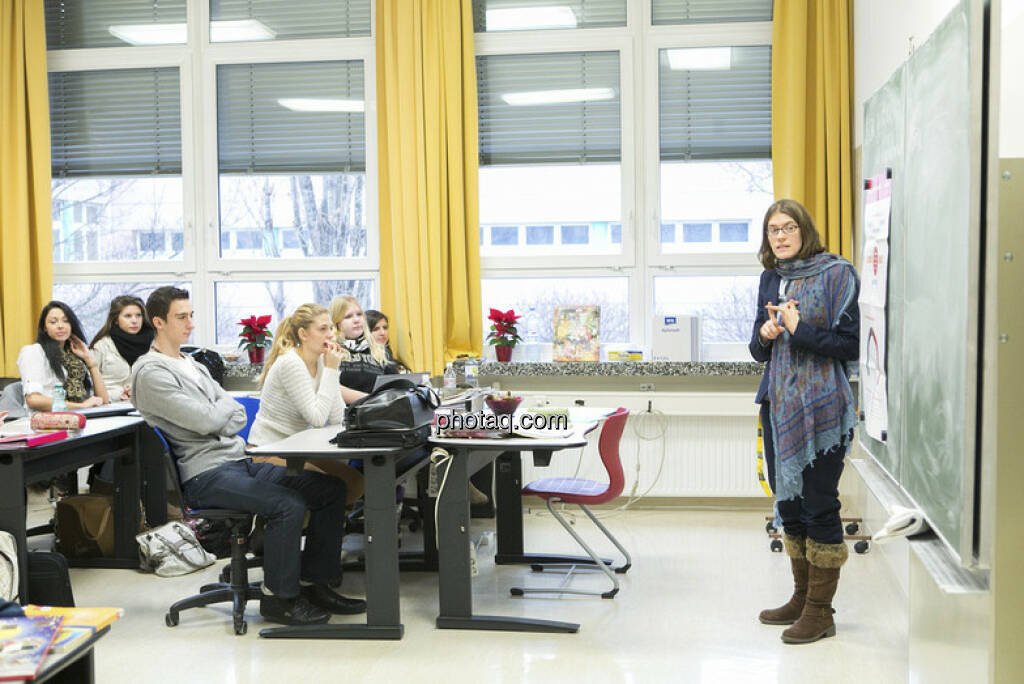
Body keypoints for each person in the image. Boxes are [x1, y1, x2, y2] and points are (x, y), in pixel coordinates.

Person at [130, 286, 365, 626]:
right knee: (288, 504)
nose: (190, 324)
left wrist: (218, 414)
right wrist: (218, 413)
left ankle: (316, 584)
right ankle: (278, 600)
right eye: (181, 317)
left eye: (191, 315)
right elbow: (205, 419)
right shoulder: (151, 372)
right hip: (205, 474)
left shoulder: (190, 363)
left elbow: (236, 412)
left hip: (238, 461)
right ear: (158, 322)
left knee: (330, 491)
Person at [749, 199, 860, 644]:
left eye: (788, 227)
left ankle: (821, 612)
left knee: (819, 506)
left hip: (825, 411)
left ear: (804, 231)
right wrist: (766, 333)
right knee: (789, 506)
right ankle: (800, 597)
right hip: (779, 405)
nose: (780, 236)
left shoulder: (838, 274)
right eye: (773, 229)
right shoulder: (770, 278)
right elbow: (757, 351)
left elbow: (848, 345)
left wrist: (799, 328)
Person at [247, 304, 365, 504]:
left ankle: (322, 528)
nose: (330, 335)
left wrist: (330, 370)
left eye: (330, 328)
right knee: (331, 486)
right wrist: (332, 369)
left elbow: (338, 417)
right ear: (303, 334)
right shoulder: (291, 363)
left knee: (355, 482)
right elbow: (317, 419)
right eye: (322, 329)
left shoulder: (321, 361)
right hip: (269, 452)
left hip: (295, 450)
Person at [18, 301, 109, 411]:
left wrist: (90, 361)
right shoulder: (34, 352)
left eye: (66, 321)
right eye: (53, 322)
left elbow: (103, 401)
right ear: (45, 327)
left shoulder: (75, 357)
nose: (60, 326)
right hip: (48, 421)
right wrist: (81, 406)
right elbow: (33, 400)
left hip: (80, 417)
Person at [329, 296, 399, 395]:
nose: (356, 320)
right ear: (337, 323)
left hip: (380, 408)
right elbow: (330, 389)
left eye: (359, 314)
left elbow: (396, 386)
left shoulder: (380, 350)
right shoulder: (331, 350)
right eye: (348, 316)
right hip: (346, 409)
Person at [90, 295, 155, 401]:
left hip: (145, 405)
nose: (134, 320)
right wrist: (117, 395)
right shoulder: (101, 345)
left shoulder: (154, 344)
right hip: (109, 406)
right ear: (116, 320)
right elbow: (88, 385)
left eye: (138, 315)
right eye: (128, 316)